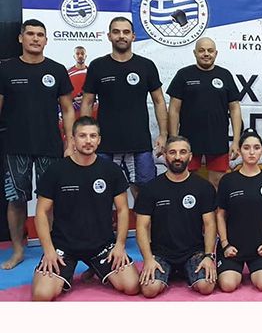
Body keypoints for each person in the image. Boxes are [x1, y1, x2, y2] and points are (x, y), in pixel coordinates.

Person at [31, 116, 139, 300]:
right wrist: (48, 250)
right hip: (64, 246)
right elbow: (41, 212)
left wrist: (120, 246)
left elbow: (122, 210)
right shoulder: (56, 170)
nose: (88, 141)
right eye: (82, 136)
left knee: (132, 286)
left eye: (92, 136)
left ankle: (96, 267)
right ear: (72, 139)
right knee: (42, 295)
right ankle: (67, 271)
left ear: (99, 140)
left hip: (102, 245)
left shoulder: (111, 171)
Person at [0, 19, 75, 270]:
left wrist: (70, 142)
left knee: (51, 199)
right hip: (15, 145)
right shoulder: (6, 69)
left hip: (50, 145)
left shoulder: (56, 70)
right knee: (16, 200)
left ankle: (50, 249)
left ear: (46, 40)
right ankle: (18, 250)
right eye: (30, 34)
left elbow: (68, 109)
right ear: (21, 38)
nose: (35, 38)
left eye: (40, 35)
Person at [80, 16, 168, 199]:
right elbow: (87, 102)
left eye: (126, 32)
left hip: (139, 143)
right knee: (101, 195)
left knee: (145, 195)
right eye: (116, 32)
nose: (121, 36)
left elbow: (159, 101)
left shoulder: (146, 65)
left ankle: (145, 221)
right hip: (105, 144)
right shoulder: (98, 66)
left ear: (133, 36)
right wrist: (83, 136)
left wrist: (163, 134)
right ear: (109, 36)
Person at [135, 136, 217, 298]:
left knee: (206, 286)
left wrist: (208, 256)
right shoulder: (150, 189)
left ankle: (186, 271)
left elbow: (209, 225)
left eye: (183, 152)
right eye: (172, 152)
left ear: (190, 156)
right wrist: (148, 259)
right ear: (165, 155)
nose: (178, 157)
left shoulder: (204, 187)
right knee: (149, 289)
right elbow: (141, 227)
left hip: (193, 252)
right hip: (161, 253)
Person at [167, 37, 242, 189]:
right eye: (201, 50)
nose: (206, 54)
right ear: (195, 53)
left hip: (217, 139)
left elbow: (234, 108)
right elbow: (174, 109)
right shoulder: (183, 75)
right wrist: (174, 139)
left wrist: (236, 141)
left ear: (216, 53)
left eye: (210, 50)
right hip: (188, 140)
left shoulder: (225, 75)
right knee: (187, 182)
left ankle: (213, 206)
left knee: (217, 183)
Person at [216, 128, 262, 292]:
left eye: (256, 148)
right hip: (232, 248)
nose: (252, 152)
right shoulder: (228, 180)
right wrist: (225, 244)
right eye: (246, 148)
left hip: (260, 248)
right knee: (227, 285)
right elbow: (220, 214)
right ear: (239, 151)